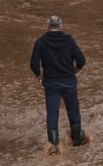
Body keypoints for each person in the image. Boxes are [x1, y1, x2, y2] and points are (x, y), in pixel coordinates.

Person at [30, 15, 87, 154]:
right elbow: (81, 60)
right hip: (69, 81)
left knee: (52, 113)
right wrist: (75, 71)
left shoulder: (40, 42)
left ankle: (54, 146)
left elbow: (33, 64)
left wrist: (39, 77)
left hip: (51, 84)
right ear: (61, 25)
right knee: (73, 110)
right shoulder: (69, 40)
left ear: (47, 25)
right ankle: (77, 140)